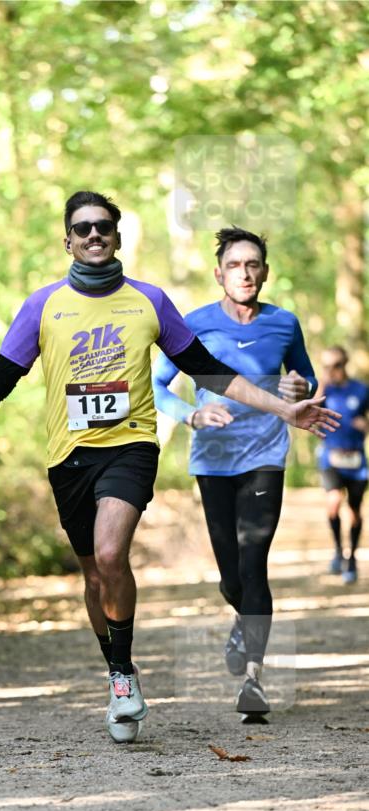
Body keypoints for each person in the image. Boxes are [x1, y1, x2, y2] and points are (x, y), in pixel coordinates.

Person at [0, 194, 339, 743]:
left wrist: (287, 409)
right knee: (93, 574)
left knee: (113, 553)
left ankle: (123, 680)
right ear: (67, 240)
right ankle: (120, 670)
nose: (94, 235)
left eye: (104, 227)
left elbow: (208, 371)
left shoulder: (150, 302)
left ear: (117, 237)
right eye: (82, 228)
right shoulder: (43, 306)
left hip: (131, 446)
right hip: (68, 456)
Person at [153, 226, 320, 723]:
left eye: (253, 265)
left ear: (265, 272)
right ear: (219, 273)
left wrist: (298, 385)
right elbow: (159, 385)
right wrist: (191, 414)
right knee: (230, 575)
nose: (245, 273)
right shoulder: (195, 323)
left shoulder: (284, 323)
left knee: (254, 563)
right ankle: (239, 621)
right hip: (212, 458)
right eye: (235, 265)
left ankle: (253, 678)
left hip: (265, 453)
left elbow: (304, 375)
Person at [317, 346, 368, 583]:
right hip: (331, 457)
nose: (332, 370)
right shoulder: (323, 391)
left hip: (356, 460)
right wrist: (322, 384)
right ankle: (338, 550)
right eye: (327, 366)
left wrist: (365, 426)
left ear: (345, 363)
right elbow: (311, 412)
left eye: (335, 365)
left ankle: (352, 559)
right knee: (334, 502)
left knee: (355, 512)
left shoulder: (361, 389)